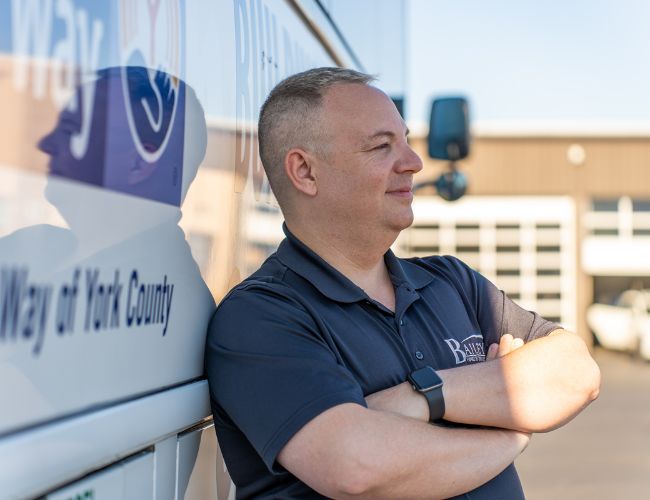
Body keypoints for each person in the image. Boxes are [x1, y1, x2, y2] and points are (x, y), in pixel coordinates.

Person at [205, 67, 600, 499]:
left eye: (407, 141)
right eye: (381, 147)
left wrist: (422, 397)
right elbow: (357, 465)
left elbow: (576, 373)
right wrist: (511, 428)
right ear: (305, 172)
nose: (413, 163)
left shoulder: (450, 282)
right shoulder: (261, 317)